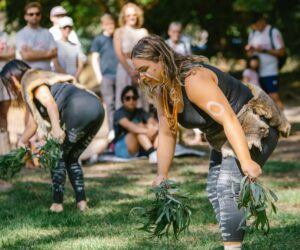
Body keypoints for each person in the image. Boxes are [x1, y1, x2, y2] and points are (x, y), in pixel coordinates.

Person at [131, 35, 290, 249]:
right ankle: (233, 238)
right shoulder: (162, 90)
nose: (141, 77)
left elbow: (229, 119)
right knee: (215, 191)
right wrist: (162, 174)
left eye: (144, 69)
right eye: (138, 71)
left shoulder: (193, 79)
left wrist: (246, 162)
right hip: (223, 136)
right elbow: (167, 133)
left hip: (252, 126)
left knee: (227, 186)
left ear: (161, 59)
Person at [0, 59, 105, 213]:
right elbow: (33, 123)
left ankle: (57, 204)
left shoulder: (30, 78)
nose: (10, 88)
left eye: (8, 83)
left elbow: (49, 102)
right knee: (71, 158)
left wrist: (56, 128)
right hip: (96, 109)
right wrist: (22, 141)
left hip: (78, 109)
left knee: (56, 156)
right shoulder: (37, 81)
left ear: (13, 78)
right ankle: (82, 203)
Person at [245, 12, 285, 110]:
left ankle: (284, 121)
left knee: (274, 96)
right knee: (261, 100)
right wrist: (249, 50)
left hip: (270, 70)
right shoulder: (253, 33)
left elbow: (281, 52)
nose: (256, 27)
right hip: (256, 71)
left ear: (263, 21)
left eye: (257, 24)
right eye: (254, 26)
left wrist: (264, 50)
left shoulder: (273, 32)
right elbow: (249, 54)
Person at [113, 2, 149, 111]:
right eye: (128, 15)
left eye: (134, 14)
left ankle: (144, 124)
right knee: (125, 95)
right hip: (125, 68)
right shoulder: (119, 31)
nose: (132, 17)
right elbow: (119, 53)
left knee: (141, 97)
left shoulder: (143, 32)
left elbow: (148, 53)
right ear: (124, 17)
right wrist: (130, 71)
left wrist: (140, 70)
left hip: (141, 68)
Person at [90, 14, 118, 137]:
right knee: (109, 103)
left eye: (112, 24)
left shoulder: (118, 38)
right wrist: (99, 76)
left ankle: (121, 129)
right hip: (106, 76)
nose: (110, 26)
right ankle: (112, 130)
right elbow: (94, 58)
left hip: (120, 75)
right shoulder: (99, 40)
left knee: (121, 102)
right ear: (103, 26)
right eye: (107, 24)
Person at [113, 86, 158, 163]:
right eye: (128, 98)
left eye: (134, 98)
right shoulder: (118, 113)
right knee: (139, 129)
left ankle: (156, 152)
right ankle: (152, 152)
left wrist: (151, 127)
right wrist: (147, 130)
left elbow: (153, 121)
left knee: (153, 130)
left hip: (138, 146)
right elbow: (130, 127)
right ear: (122, 100)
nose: (131, 101)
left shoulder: (140, 111)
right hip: (122, 146)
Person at [15, 2, 58, 71]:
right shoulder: (21, 34)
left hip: (47, 74)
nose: (34, 16)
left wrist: (32, 52)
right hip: (29, 75)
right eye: (31, 14)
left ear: (40, 16)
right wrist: (47, 53)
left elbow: (54, 53)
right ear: (25, 17)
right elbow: (26, 56)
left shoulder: (47, 33)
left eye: (37, 14)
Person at [53, 16, 84, 80]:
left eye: (69, 27)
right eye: (65, 28)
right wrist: (68, 78)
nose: (67, 30)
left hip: (75, 80)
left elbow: (80, 65)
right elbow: (56, 65)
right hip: (60, 80)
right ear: (60, 29)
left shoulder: (76, 46)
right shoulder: (55, 45)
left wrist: (75, 78)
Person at [0, 31, 15, 133]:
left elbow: (12, 53)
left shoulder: (4, 35)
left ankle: (4, 145)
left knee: (4, 114)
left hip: (4, 76)